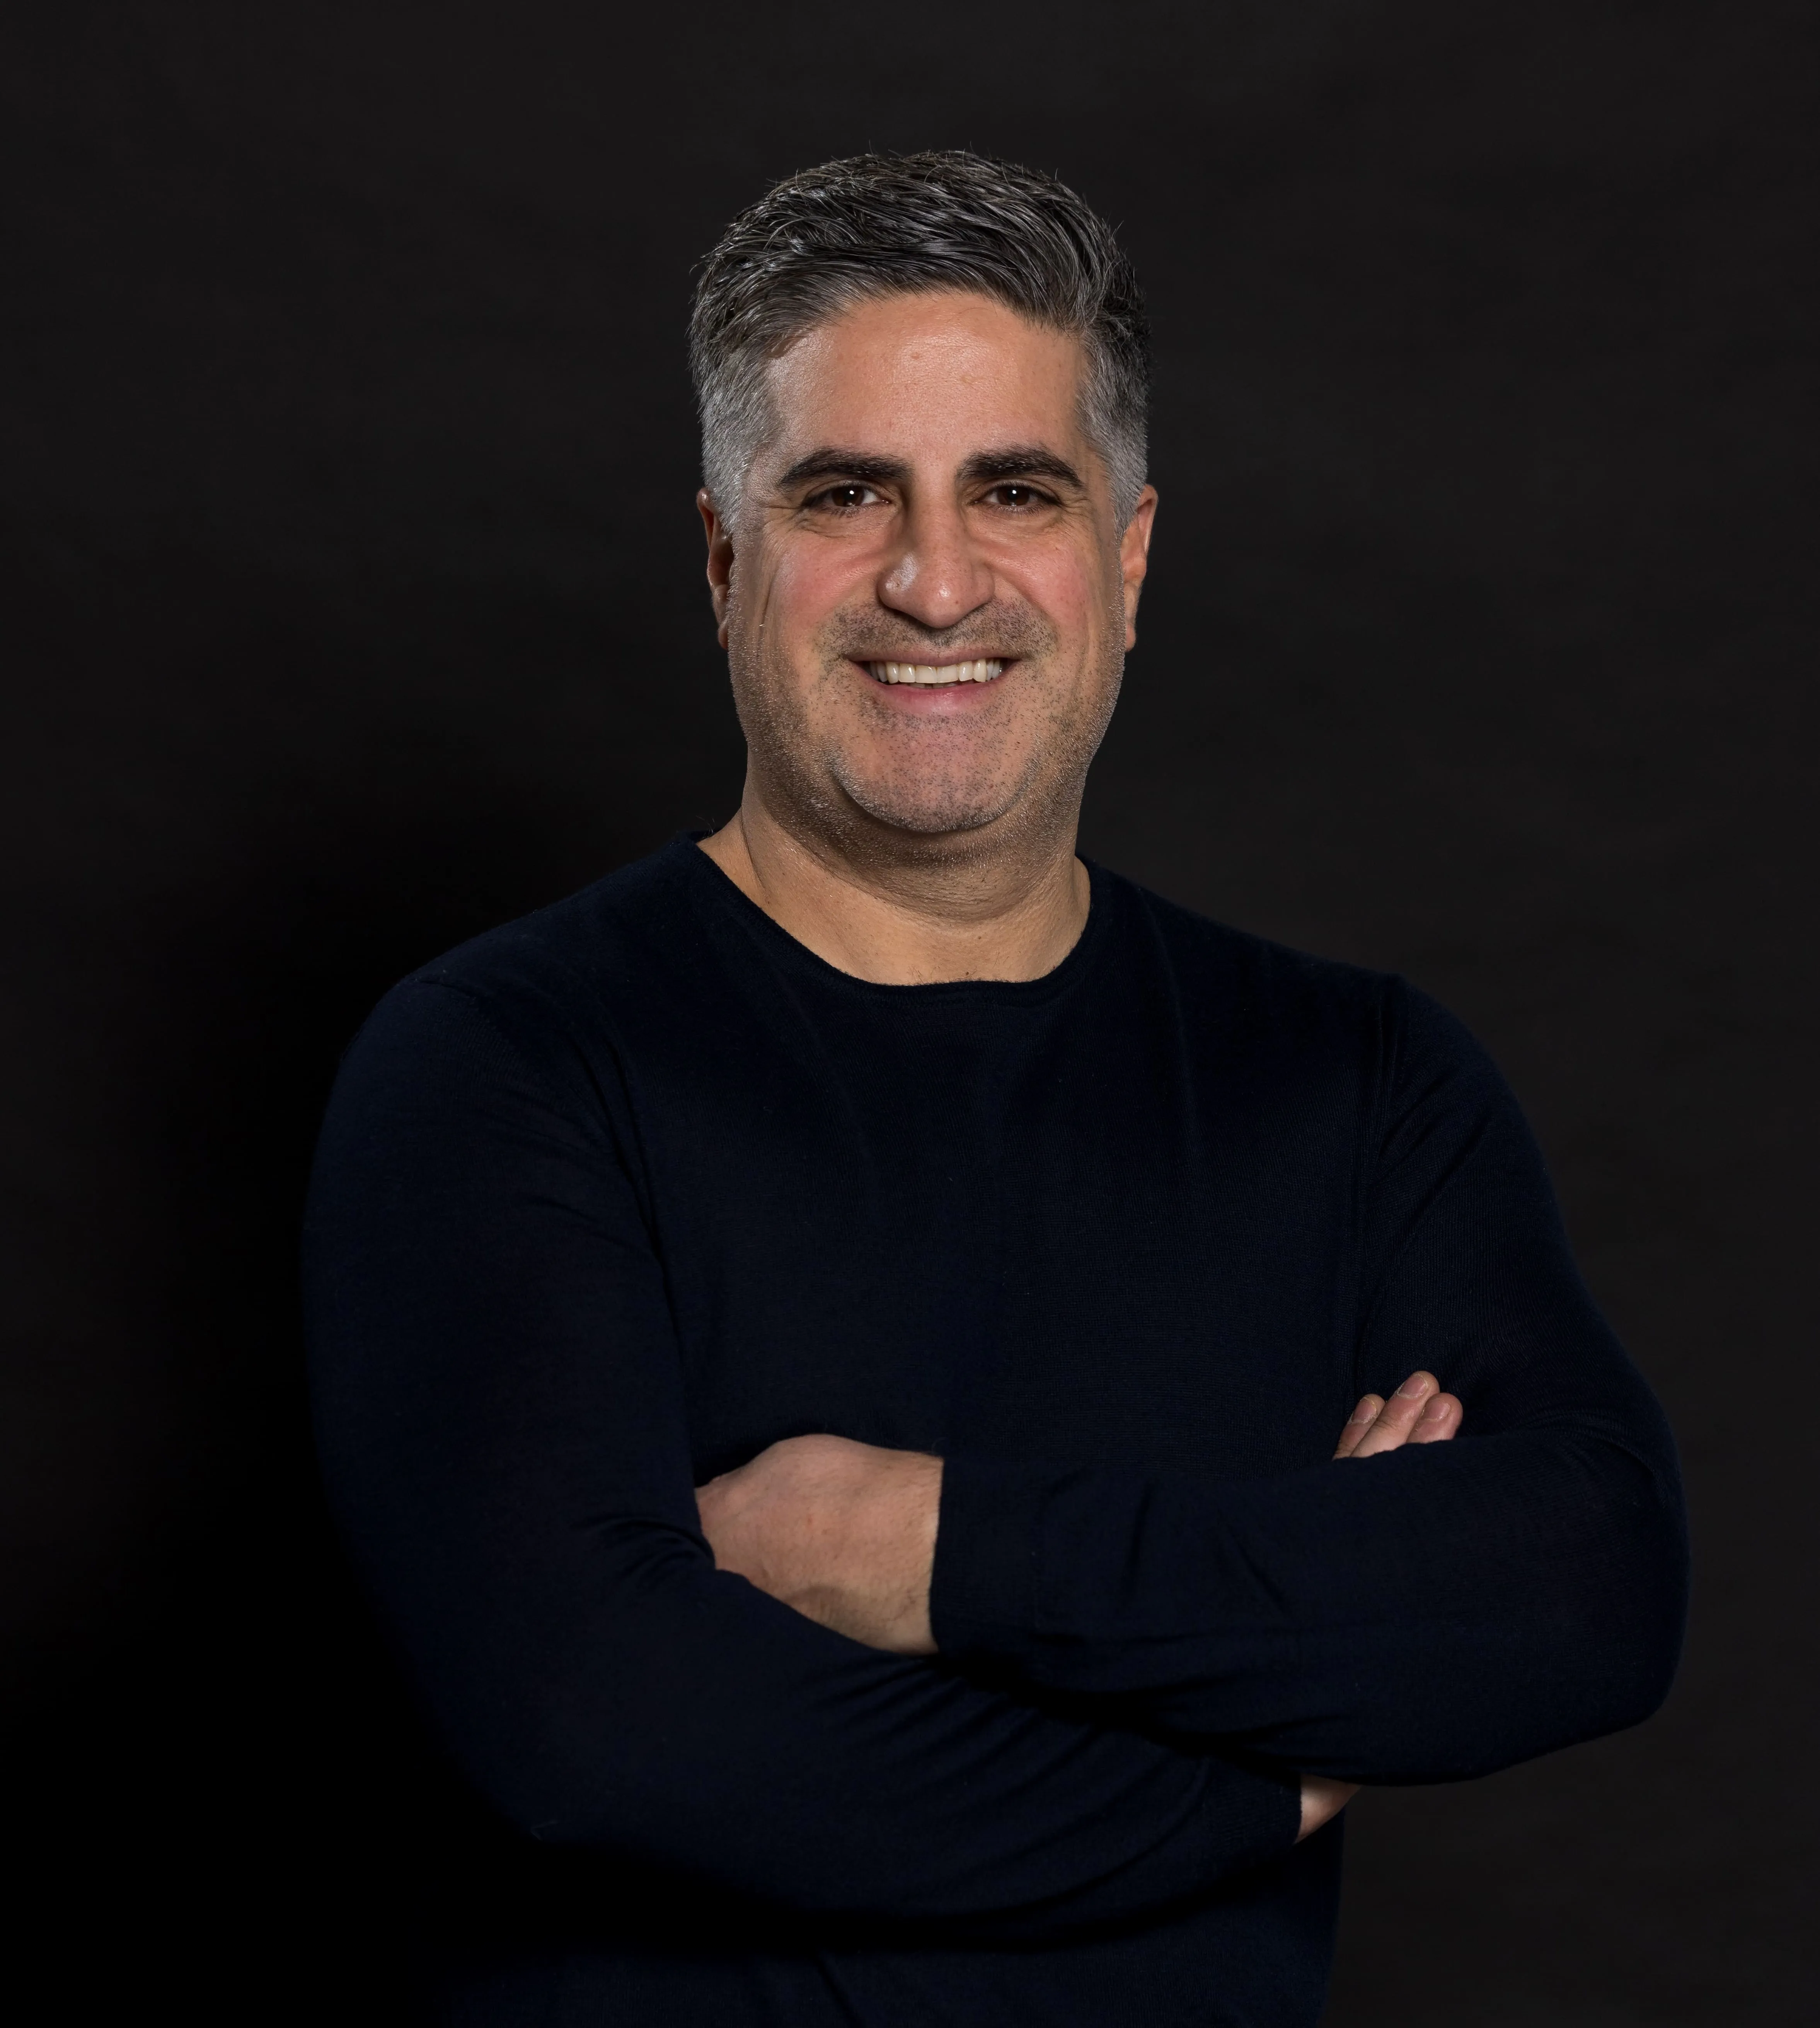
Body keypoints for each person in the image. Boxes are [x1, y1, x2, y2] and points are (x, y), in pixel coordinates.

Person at [304, 150, 1688, 2026]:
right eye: (843, 492)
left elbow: (1582, 1588)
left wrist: (929, 1549)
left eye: (1013, 491)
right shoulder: (503, 1064)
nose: (932, 579)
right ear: (725, 559)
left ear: (1123, 556)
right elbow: (605, 1726)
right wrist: (1278, 1745)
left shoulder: (1354, 1084)